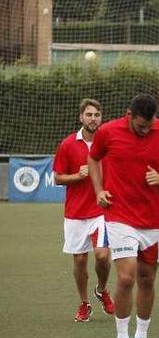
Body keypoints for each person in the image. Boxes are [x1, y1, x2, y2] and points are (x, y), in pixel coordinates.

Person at [88, 94, 159, 338]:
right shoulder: (108, 131)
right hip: (119, 216)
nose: (145, 130)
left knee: (146, 280)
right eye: (140, 125)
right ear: (128, 114)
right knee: (126, 278)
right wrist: (99, 190)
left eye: (149, 125)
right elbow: (93, 159)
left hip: (154, 221)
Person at [53, 98, 114, 322]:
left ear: (101, 117)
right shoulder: (68, 144)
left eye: (96, 115)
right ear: (81, 118)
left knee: (102, 255)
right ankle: (84, 303)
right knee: (79, 261)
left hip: (102, 211)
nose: (93, 119)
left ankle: (102, 289)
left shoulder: (110, 143)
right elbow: (58, 178)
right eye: (89, 115)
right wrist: (77, 176)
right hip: (76, 213)